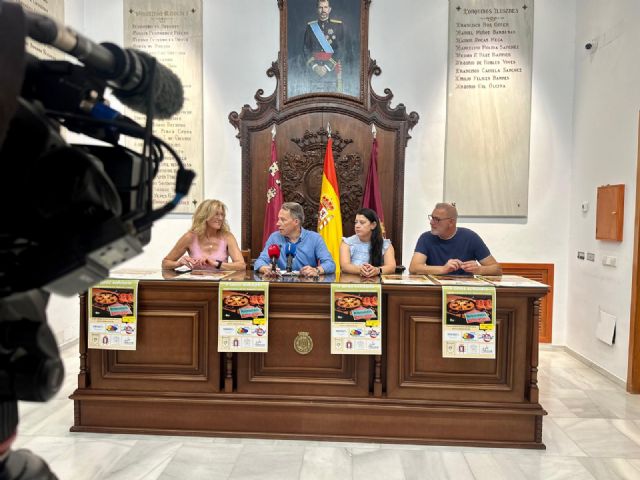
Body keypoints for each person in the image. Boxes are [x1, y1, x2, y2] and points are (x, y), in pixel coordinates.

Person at [409, 203, 502, 276]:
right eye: (432, 218)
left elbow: (497, 269)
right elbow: (413, 268)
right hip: (436, 289)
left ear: (451, 222)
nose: (431, 222)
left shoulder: (470, 237)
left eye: (436, 219)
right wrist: (443, 269)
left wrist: (479, 270)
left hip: (465, 290)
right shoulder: (426, 238)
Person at [255, 202, 336, 277]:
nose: (278, 223)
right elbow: (260, 261)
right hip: (280, 284)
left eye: (283, 220)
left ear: (296, 222)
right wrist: (265, 268)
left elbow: (330, 264)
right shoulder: (274, 237)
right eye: (278, 219)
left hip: (306, 283)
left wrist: (316, 270)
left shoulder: (315, 238)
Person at [162, 199, 246, 271]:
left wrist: (216, 264)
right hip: (197, 283)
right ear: (205, 216)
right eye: (216, 214)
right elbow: (165, 263)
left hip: (220, 283)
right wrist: (178, 263)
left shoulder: (227, 236)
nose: (220, 218)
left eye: (222, 215)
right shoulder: (189, 237)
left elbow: (241, 265)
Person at [302, 0, 345, 93]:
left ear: (329, 9)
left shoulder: (338, 26)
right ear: (317, 9)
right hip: (314, 70)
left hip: (331, 69)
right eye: (320, 7)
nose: (323, 10)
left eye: (325, 7)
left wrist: (327, 67)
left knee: (332, 97)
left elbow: (340, 49)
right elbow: (306, 49)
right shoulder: (310, 27)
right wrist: (314, 66)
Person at [340, 208, 396, 277]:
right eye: (356, 222)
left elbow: (391, 267)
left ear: (373, 225)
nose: (357, 226)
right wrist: (360, 269)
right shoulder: (347, 243)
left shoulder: (386, 245)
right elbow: (345, 266)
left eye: (362, 222)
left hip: (376, 281)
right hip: (351, 281)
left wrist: (377, 270)